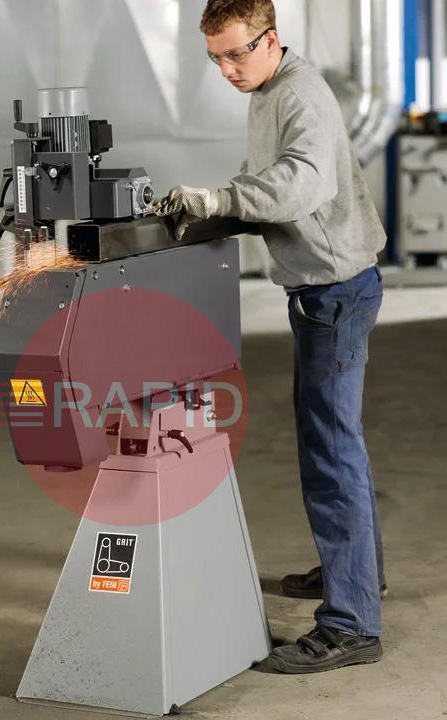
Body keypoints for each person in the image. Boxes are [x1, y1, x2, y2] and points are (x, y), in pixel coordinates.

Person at [155, 0, 388, 674]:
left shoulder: (298, 94)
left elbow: (300, 186)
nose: (227, 69)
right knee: (334, 443)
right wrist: (214, 210)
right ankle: (357, 577)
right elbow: (270, 183)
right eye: (215, 58)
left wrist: (220, 200)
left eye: (236, 54)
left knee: (330, 452)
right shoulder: (267, 90)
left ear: (270, 39)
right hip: (323, 292)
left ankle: (351, 626)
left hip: (334, 294)